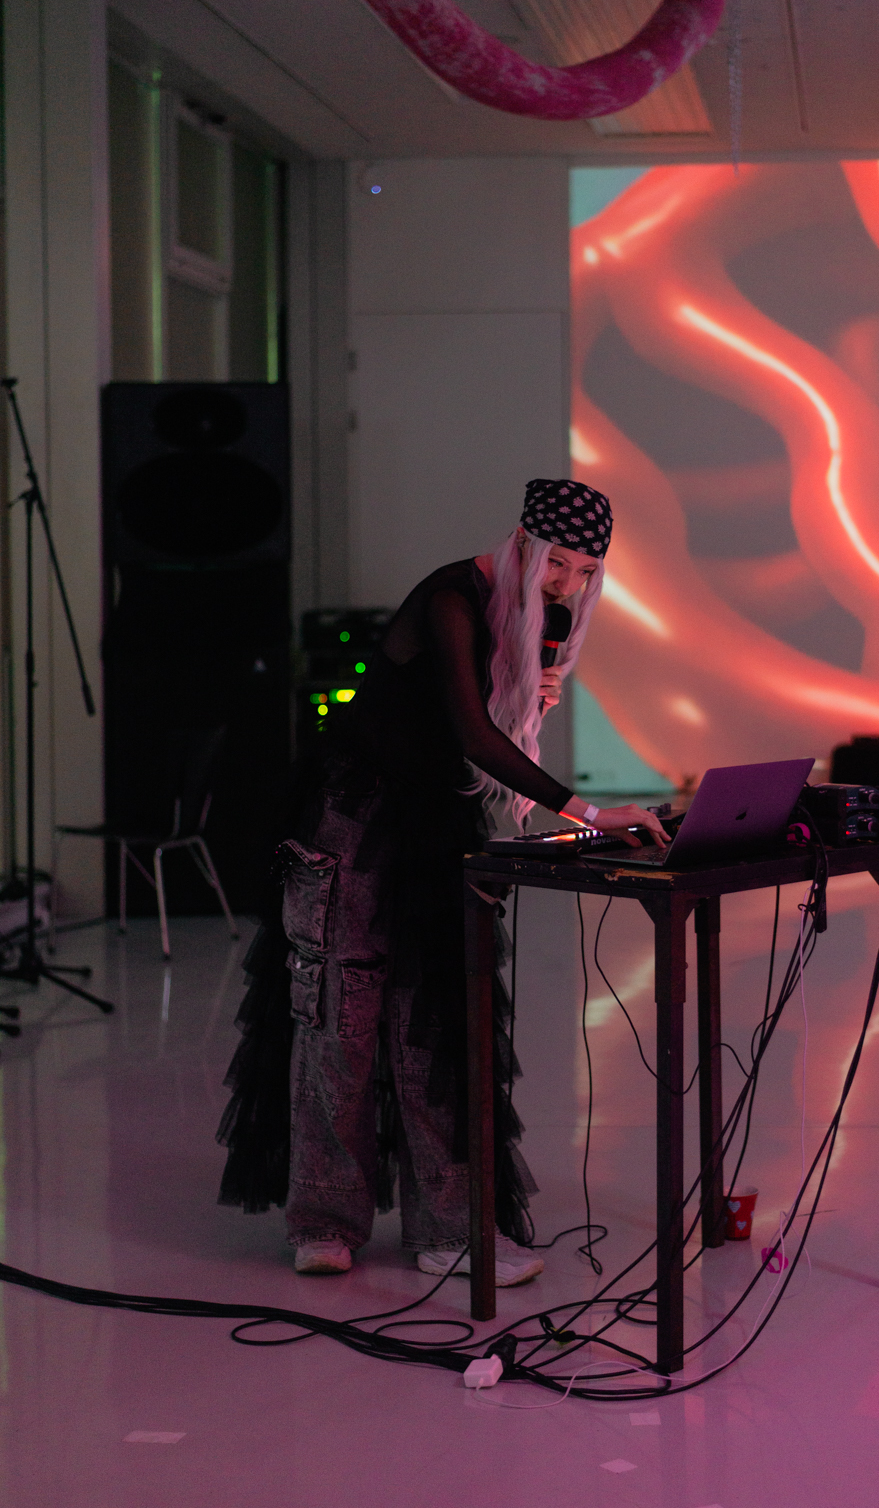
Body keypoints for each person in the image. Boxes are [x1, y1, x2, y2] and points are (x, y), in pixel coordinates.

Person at [217, 478, 669, 1286]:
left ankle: (451, 1229)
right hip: (351, 823)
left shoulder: (526, 615)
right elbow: (472, 733)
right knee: (340, 1018)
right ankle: (324, 1220)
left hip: (430, 826)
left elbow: (487, 737)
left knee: (435, 1027)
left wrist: (534, 690)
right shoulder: (451, 599)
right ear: (524, 541)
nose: (567, 585)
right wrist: (589, 813)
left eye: (585, 571)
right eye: (558, 563)